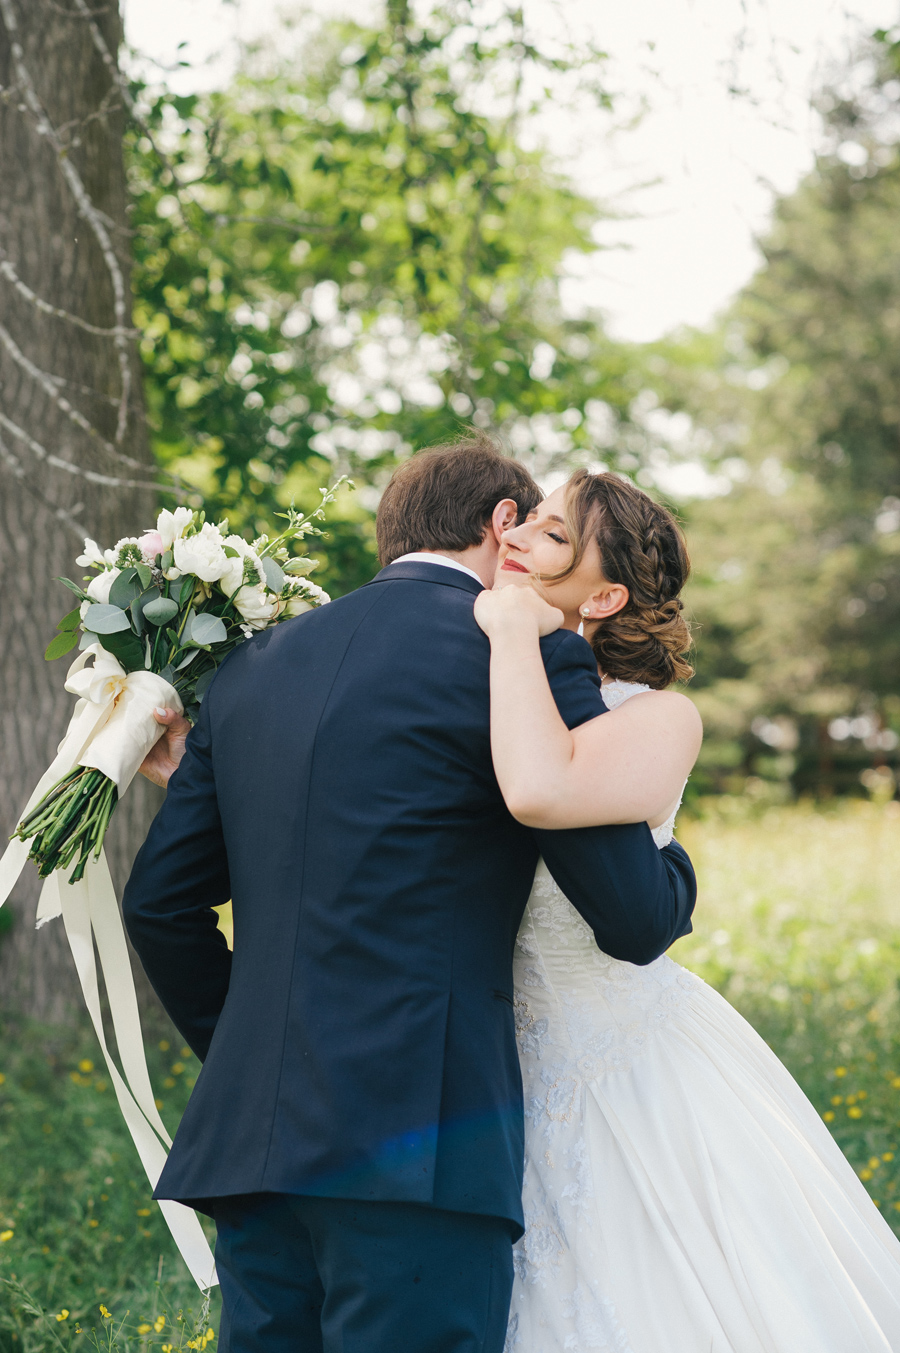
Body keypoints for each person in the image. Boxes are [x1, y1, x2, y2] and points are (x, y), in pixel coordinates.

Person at [125, 434, 697, 1353]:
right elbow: (630, 913)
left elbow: (157, 903)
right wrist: (674, 863)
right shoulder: (531, 662)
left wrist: (252, 1052)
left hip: (253, 1138)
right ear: (501, 522)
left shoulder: (251, 669)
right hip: (417, 1142)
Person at [474, 468, 900, 1353]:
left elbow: (545, 791)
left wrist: (520, 637)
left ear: (606, 593)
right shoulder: (466, 677)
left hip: (620, 1059)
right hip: (487, 1064)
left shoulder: (656, 717)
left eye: (552, 536)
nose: (515, 537)